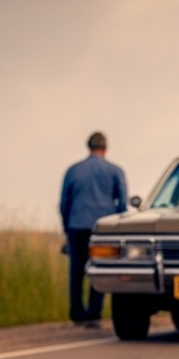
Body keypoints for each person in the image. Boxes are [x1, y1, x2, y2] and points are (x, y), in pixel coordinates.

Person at [59, 131, 127, 327]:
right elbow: (122, 204)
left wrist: (66, 228)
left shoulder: (73, 170)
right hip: (102, 228)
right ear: (105, 148)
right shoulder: (115, 171)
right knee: (99, 268)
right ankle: (93, 313)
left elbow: (64, 203)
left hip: (76, 225)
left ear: (89, 147)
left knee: (76, 271)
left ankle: (76, 313)